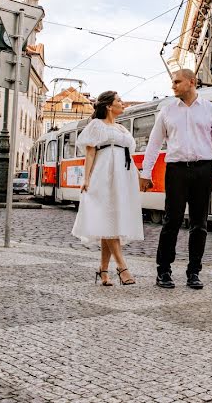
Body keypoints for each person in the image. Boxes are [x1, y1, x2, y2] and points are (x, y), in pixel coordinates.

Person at [140, 69, 212, 290]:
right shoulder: (167, 111)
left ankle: (194, 272)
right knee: (171, 221)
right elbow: (154, 144)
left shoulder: (211, 111)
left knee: (200, 224)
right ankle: (163, 271)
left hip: (203, 170)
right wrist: (146, 173)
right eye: (172, 82)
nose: (173, 86)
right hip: (176, 170)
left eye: (177, 82)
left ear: (192, 82)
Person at [71, 91, 144, 286]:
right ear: (109, 106)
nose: (123, 103)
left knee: (110, 221)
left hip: (123, 176)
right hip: (104, 175)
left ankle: (103, 271)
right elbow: (90, 153)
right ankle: (122, 267)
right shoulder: (96, 125)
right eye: (119, 100)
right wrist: (86, 179)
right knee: (109, 218)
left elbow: (129, 155)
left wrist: (139, 176)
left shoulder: (121, 128)